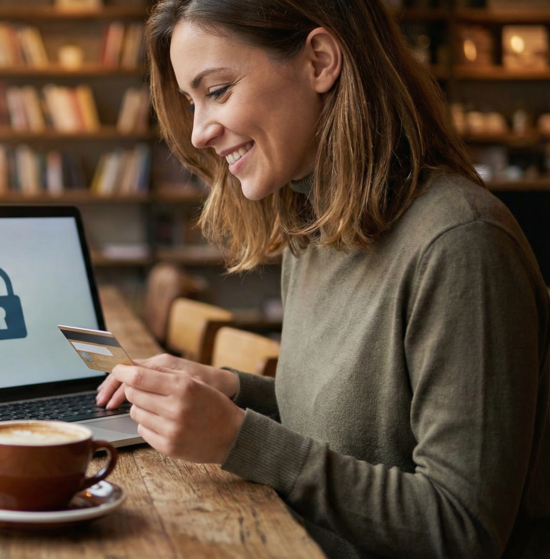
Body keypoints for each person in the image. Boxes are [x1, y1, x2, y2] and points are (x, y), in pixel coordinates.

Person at [96, 0, 550, 557]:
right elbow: (355, 429)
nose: (197, 134)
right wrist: (234, 393)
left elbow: (462, 529)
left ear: (319, 61)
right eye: (191, 103)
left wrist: (240, 438)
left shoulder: (461, 244)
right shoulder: (314, 231)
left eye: (216, 91)